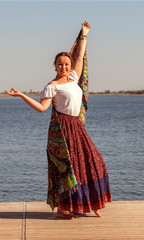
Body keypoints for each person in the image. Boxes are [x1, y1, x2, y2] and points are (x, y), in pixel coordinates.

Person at [6, 21, 112, 219]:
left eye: (66, 64)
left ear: (69, 66)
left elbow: (80, 56)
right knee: (69, 169)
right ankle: (65, 207)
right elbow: (42, 108)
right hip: (62, 130)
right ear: (55, 66)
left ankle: (94, 202)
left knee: (93, 161)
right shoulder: (51, 86)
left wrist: (84, 35)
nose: (64, 66)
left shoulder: (73, 77)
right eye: (60, 64)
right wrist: (22, 95)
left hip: (77, 126)